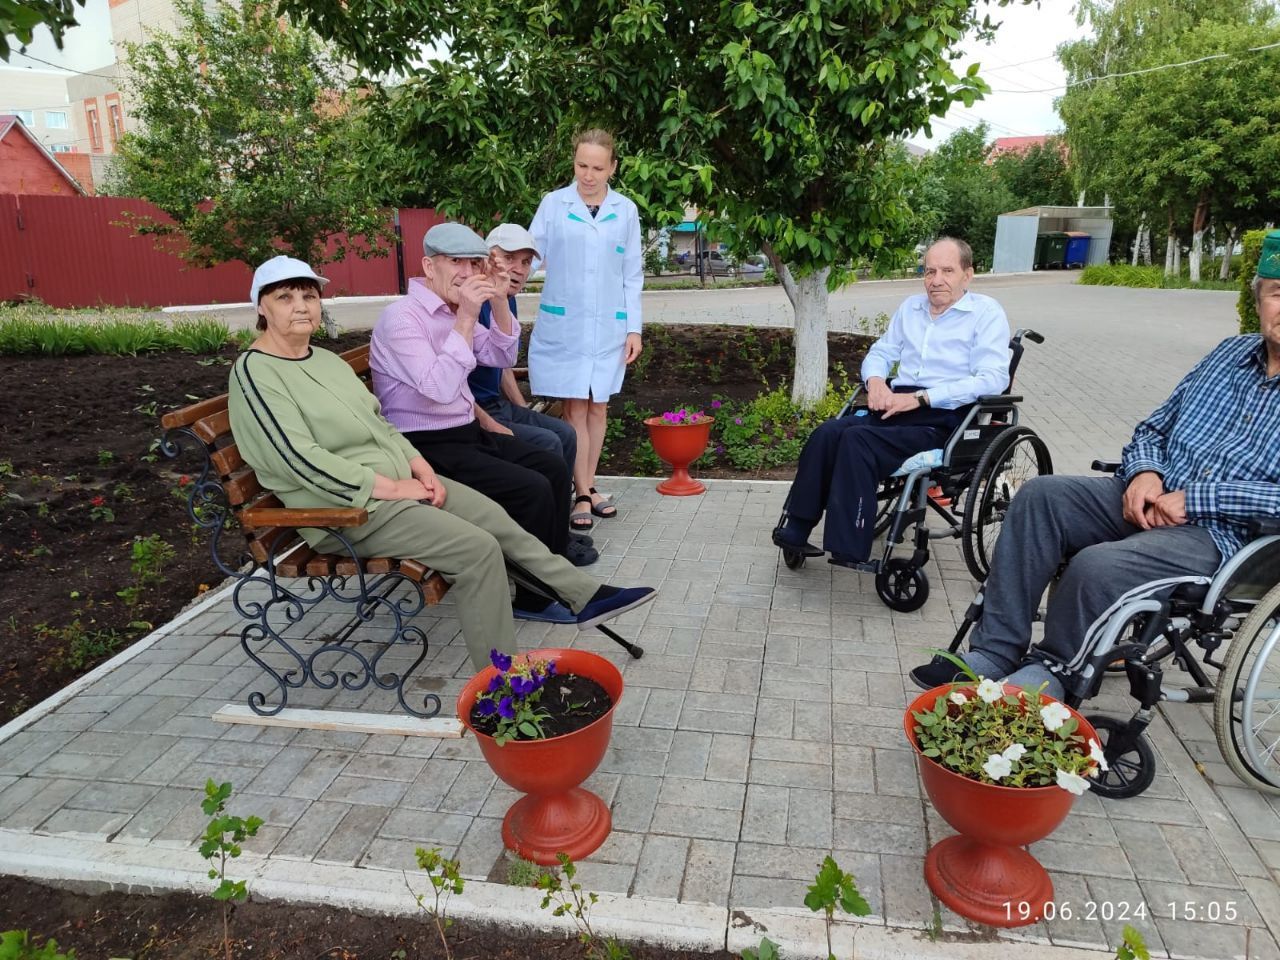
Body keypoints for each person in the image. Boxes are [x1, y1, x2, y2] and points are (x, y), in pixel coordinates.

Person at [227, 254, 656, 671]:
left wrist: (418, 466)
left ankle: (585, 595)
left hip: (400, 486)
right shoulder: (256, 373)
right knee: (477, 551)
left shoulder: (321, 360)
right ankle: (504, 684)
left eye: (309, 296)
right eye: (285, 297)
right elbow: (298, 459)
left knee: (494, 518)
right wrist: (394, 487)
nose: (301, 306)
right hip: (350, 510)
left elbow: (380, 423)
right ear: (261, 308)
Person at [910, 230, 1280, 700]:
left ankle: (1056, 668)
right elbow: (1154, 428)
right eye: (1276, 292)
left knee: (1095, 565)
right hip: (1149, 494)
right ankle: (996, 649)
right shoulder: (1229, 354)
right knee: (1040, 497)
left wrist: (1196, 499)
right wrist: (1146, 473)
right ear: (1259, 298)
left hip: (1221, 536)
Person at [371, 222, 598, 614]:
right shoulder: (403, 318)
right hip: (426, 447)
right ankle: (534, 599)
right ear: (429, 265)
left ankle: (553, 574)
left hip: (466, 433)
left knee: (551, 466)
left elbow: (502, 356)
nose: (467, 272)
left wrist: (495, 300)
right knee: (531, 487)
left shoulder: (452, 311)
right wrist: (466, 316)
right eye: (456, 261)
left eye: (474, 263)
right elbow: (438, 389)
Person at [772, 237, 1011, 567]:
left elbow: (992, 378)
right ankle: (795, 529)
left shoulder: (985, 314)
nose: (936, 280)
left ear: (967, 275)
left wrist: (921, 398)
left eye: (947, 271)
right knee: (827, 433)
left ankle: (849, 546)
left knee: (857, 441)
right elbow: (882, 353)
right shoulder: (911, 308)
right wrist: (876, 383)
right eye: (929, 271)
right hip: (896, 406)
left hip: (943, 416)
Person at [528, 128, 643, 532]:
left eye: (597, 167)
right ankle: (581, 493)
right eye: (581, 166)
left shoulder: (625, 210)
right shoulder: (553, 204)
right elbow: (531, 255)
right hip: (567, 324)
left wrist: (634, 328)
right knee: (575, 406)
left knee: (599, 406)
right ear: (573, 162)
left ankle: (589, 485)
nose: (588, 175)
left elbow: (632, 274)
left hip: (609, 326)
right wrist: (501, 275)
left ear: (612, 167)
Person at [469, 223, 578, 476]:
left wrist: (521, 407)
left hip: (495, 403)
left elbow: (501, 363)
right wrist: (488, 420)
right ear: (488, 259)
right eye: (509, 258)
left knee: (566, 433)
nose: (518, 269)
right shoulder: (471, 300)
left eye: (526, 262)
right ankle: (547, 508)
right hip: (471, 409)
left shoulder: (506, 300)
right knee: (548, 442)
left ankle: (561, 502)